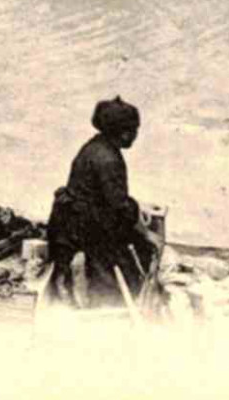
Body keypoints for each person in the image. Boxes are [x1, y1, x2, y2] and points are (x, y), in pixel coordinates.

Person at [46, 96, 157, 309]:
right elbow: (118, 205)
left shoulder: (95, 146)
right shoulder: (108, 159)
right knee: (126, 257)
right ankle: (109, 305)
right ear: (122, 131)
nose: (135, 134)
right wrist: (144, 231)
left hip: (72, 219)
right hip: (82, 225)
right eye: (133, 129)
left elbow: (110, 198)